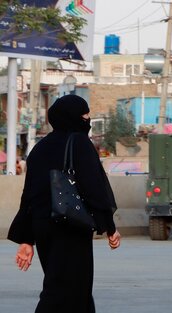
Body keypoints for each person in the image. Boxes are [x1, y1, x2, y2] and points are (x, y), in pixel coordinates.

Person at [8, 95, 121, 313]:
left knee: (68, 288)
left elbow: (30, 196)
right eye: (85, 114)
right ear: (74, 117)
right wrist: (109, 226)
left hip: (43, 229)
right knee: (63, 291)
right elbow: (93, 188)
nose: (88, 119)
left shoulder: (39, 149)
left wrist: (27, 239)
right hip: (70, 226)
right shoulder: (79, 142)